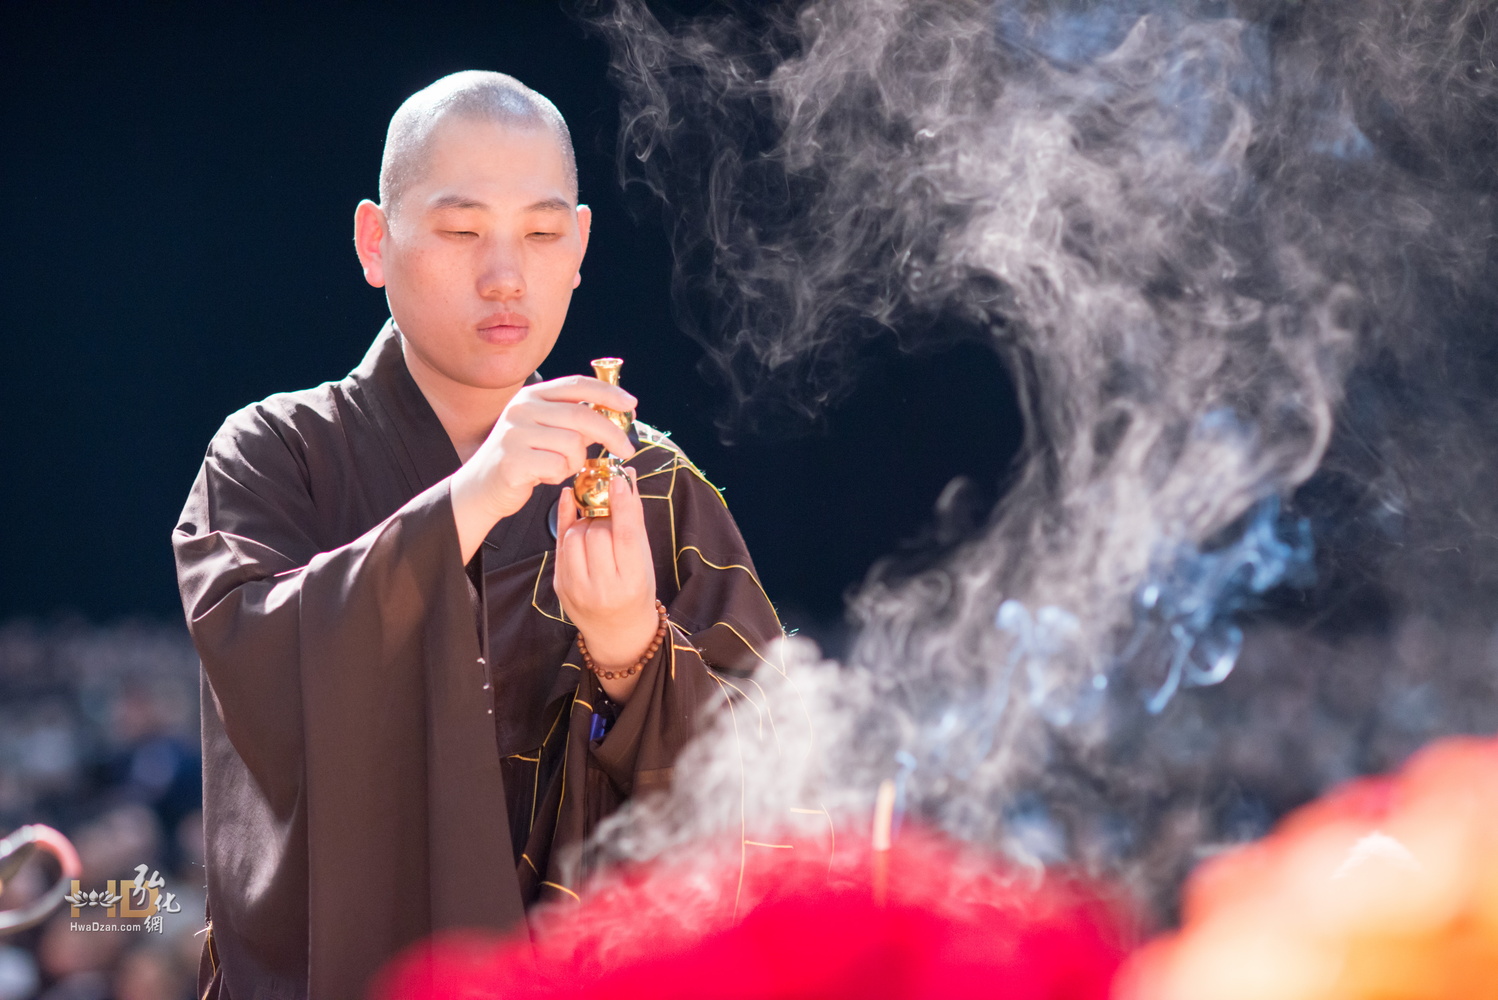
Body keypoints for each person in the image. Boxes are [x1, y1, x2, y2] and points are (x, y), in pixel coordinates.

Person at [171, 70, 784, 1000]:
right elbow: (263, 678)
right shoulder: (276, 455)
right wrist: (474, 495)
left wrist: (630, 648)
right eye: (461, 232)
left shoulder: (652, 485)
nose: (505, 275)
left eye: (541, 235)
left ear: (579, 246)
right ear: (376, 241)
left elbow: (776, 777)